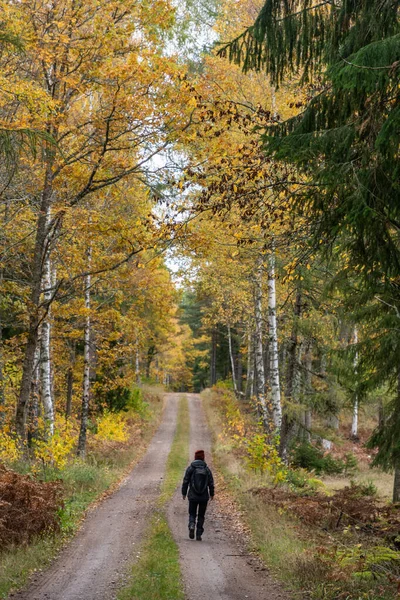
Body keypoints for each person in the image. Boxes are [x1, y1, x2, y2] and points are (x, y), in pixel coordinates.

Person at [182, 449, 214, 541]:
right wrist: (212, 494)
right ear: (203, 458)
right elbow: (211, 483)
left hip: (192, 496)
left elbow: (185, 481)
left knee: (192, 513)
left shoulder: (191, 468)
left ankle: (191, 525)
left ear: (195, 457)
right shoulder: (206, 469)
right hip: (204, 497)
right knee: (201, 515)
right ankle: (199, 534)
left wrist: (184, 493)